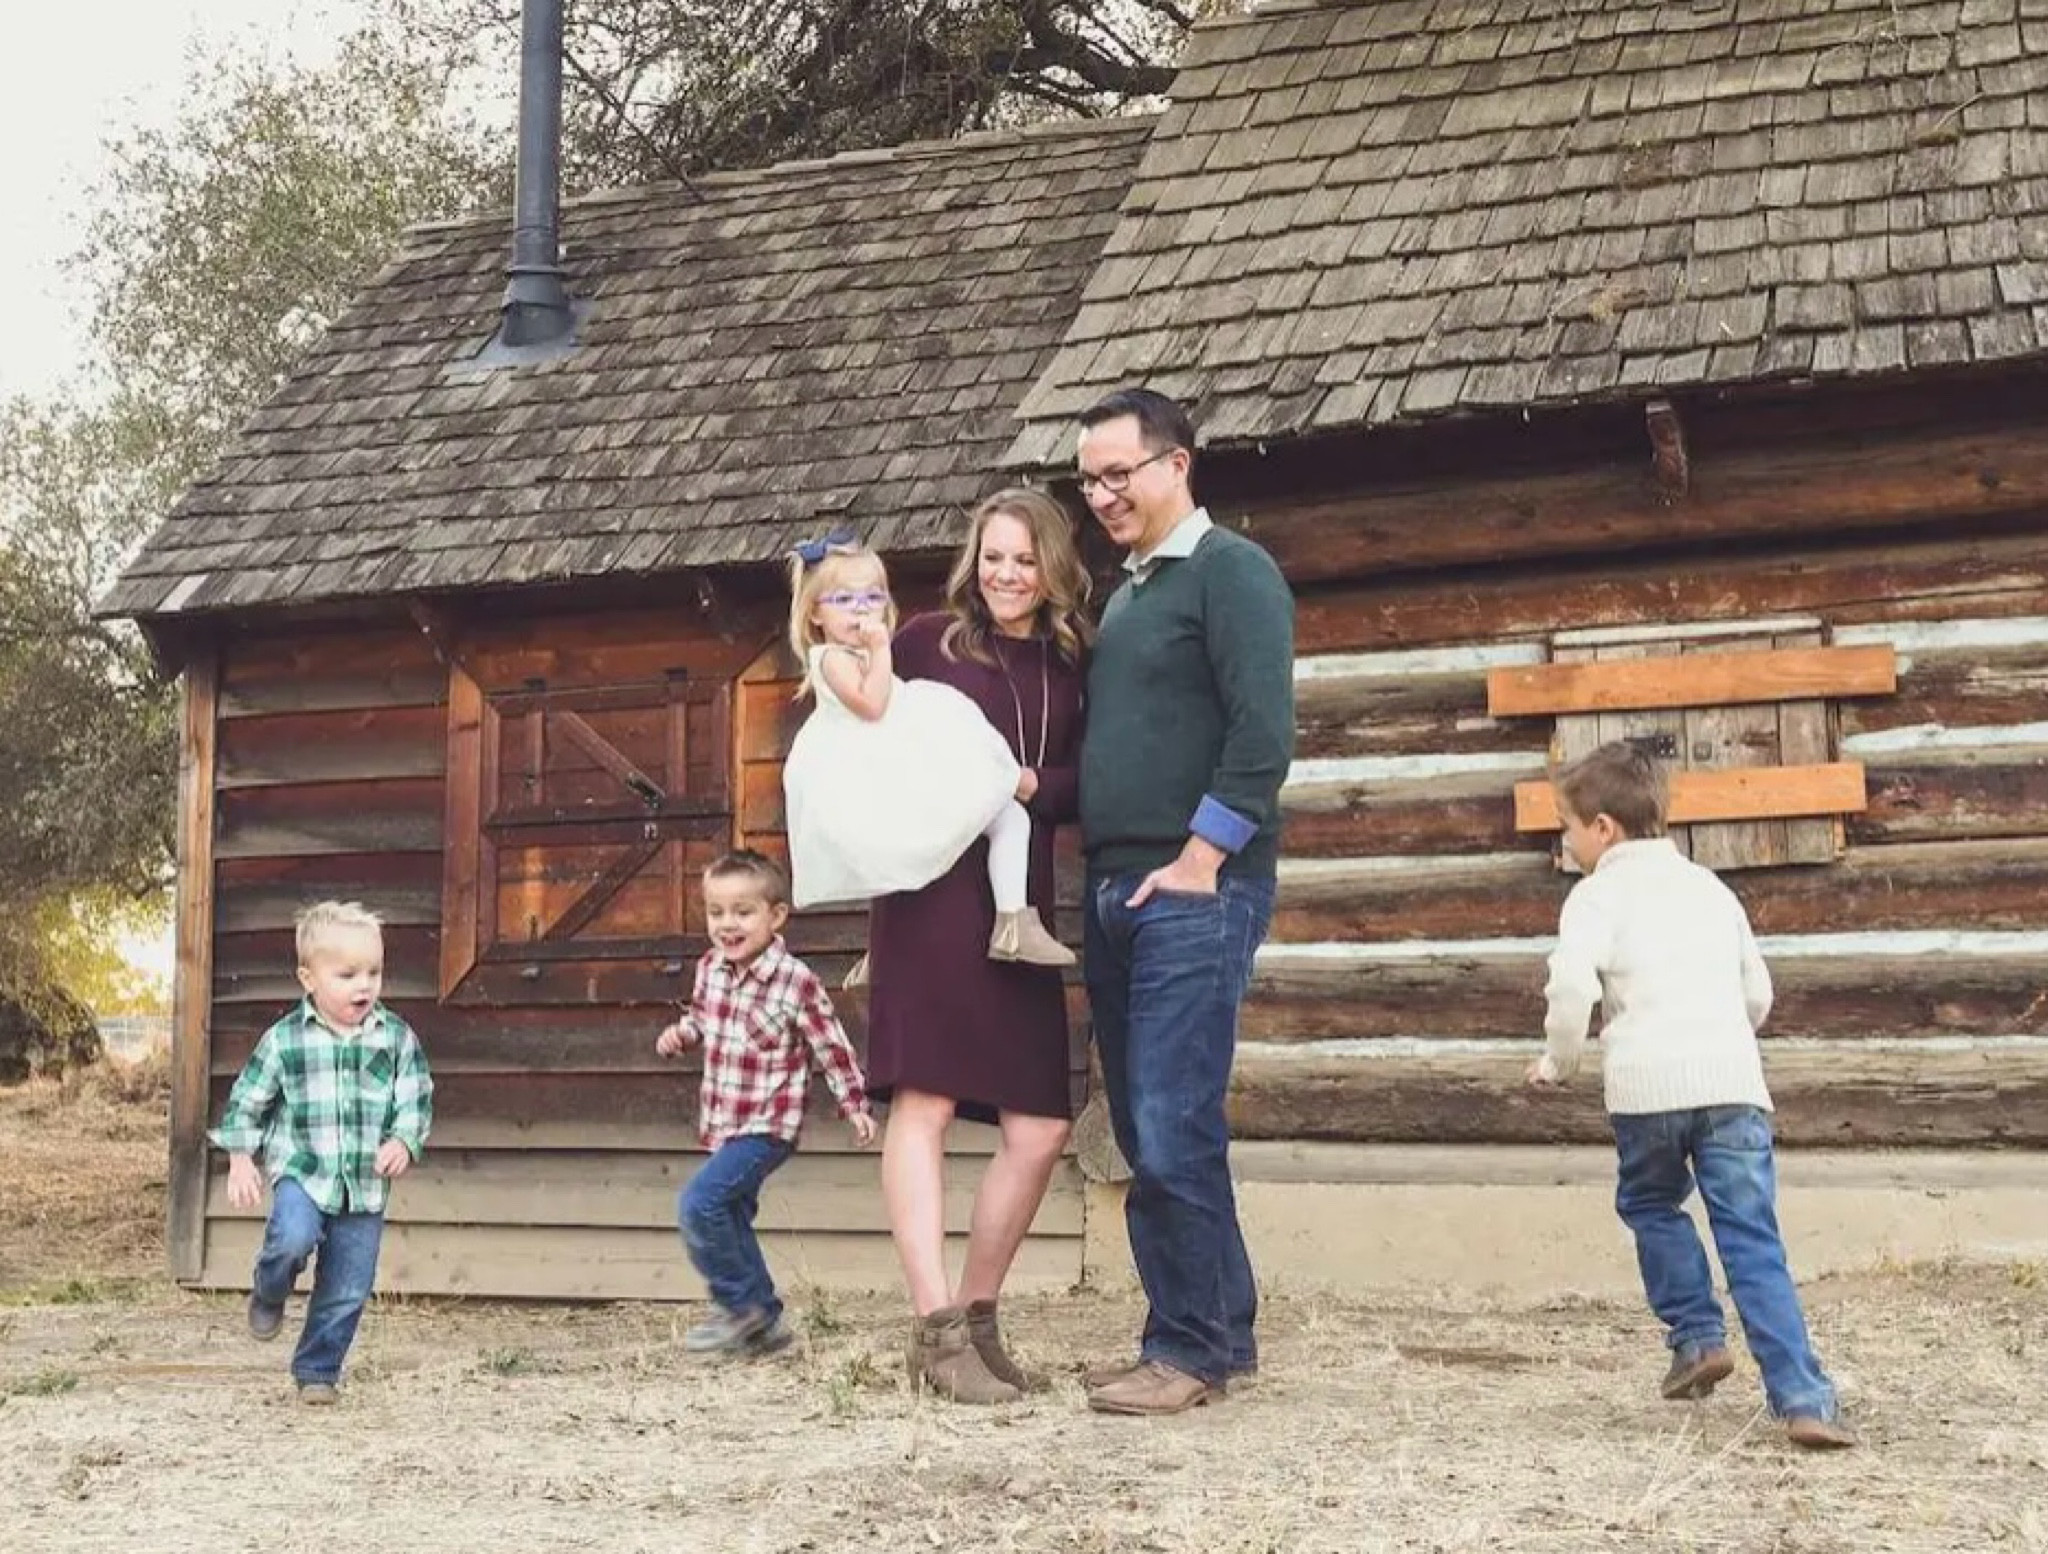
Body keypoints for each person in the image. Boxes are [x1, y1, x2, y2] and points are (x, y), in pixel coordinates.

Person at [1527, 742, 1857, 1450]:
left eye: (1568, 827)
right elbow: (1757, 994)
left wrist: (1560, 1061)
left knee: (1651, 1205)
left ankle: (1698, 1337)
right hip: (1732, 1085)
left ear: (1603, 827)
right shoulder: (1710, 889)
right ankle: (1804, 1400)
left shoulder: (1595, 896)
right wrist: (1720, 1043)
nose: (1567, 841)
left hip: (1647, 1092)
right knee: (1752, 1238)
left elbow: (1572, 989)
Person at [1073, 388, 1296, 1416]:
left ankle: (1186, 1350)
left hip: (1193, 889)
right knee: (1146, 1121)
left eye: (1117, 473)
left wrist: (1203, 857)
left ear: (1176, 465)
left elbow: (1262, 733)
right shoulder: (1126, 596)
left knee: (1170, 1121)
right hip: (1116, 888)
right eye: (1087, 480)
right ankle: (1222, 1332)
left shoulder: (1230, 571)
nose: (1100, 495)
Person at [865, 489, 1092, 1403]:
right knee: (924, 1100)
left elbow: (1088, 779)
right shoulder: (927, 642)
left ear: (1053, 568)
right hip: (927, 896)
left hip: (1017, 908)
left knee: (1039, 1127)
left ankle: (979, 1314)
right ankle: (936, 1330)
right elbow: (855, 727)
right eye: (993, 556)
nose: (1006, 574)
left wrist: (1034, 784)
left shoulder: (1073, 663)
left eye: (1024, 560)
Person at [781, 536, 1073, 969]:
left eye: (873, 597)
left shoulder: (861, 654)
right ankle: (896, 947)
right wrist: (881, 649)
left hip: (890, 756)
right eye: (843, 599)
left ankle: (1014, 920)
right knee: (926, 839)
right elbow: (873, 704)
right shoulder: (832, 659)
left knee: (1009, 816)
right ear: (814, 612)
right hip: (868, 766)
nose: (861, 610)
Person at [656, 850, 877, 1356]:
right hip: (723, 1122)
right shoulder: (710, 968)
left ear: (775, 916)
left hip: (768, 1125)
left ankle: (738, 1308)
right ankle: (766, 1325)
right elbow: (705, 1018)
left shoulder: (794, 981)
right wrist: (682, 1034)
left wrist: (855, 1104)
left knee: (700, 1204)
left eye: (742, 912)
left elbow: (831, 1045)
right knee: (729, 1212)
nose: (727, 924)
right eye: (716, 912)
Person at [213, 900, 433, 1405]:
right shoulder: (285, 1040)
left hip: (364, 1185)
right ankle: (270, 1288)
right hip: (304, 1170)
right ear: (308, 979)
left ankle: (317, 1370)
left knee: (348, 1286)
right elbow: (248, 1101)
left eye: (374, 972)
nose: (364, 986)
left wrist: (403, 1139)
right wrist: (241, 1157)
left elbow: (415, 1095)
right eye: (347, 975)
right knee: (293, 1238)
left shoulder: (395, 1038)